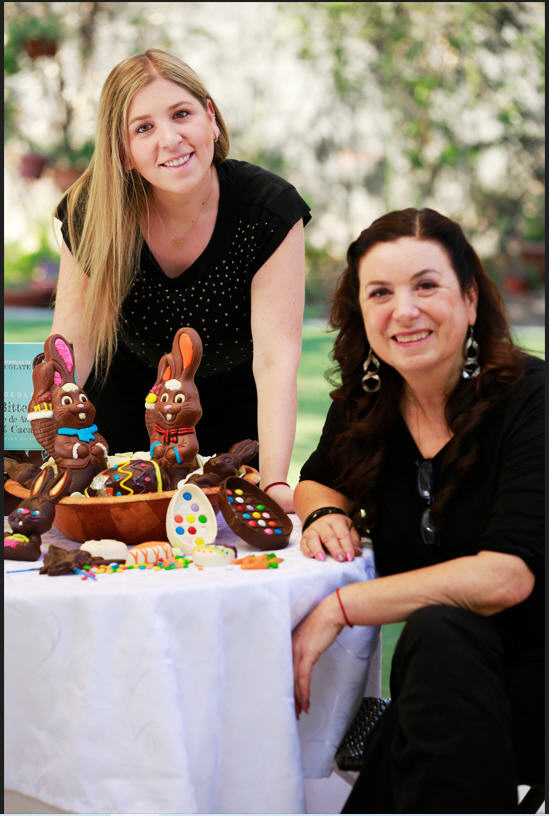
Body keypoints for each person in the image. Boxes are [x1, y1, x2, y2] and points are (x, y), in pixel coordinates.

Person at [291, 208, 544, 813]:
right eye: (380, 292)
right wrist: (325, 513)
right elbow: (316, 479)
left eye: (426, 285)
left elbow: (506, 576)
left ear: (471, 300)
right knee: (438, 650)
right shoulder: (369, 401)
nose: (403, 310)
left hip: (531, 680)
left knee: (438, 638)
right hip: (443, 691)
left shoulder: (531, 400)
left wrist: (342, 608)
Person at [51, 49, 310, 512]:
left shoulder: (268, 209)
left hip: (234, 421)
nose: (170, 139)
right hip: (121, 416)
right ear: (123, 153)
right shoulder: (92, 210)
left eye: (182, 114)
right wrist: (49, 453)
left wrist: (274, 481)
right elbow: (72, 346)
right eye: (143, 128)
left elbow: (275, 360)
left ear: (211, 118)